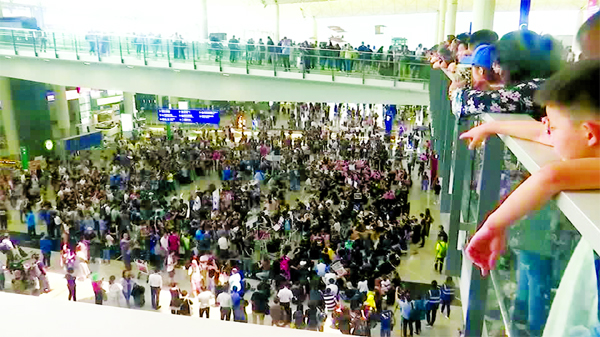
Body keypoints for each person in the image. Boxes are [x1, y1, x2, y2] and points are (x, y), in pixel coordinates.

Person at [463, 60, 600, 276]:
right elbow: (539, 133)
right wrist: (491, 126)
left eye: (552, 125)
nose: (545, 127)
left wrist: (493, 225)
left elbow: (552, 176)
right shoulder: (582, 138)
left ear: (590, 135)